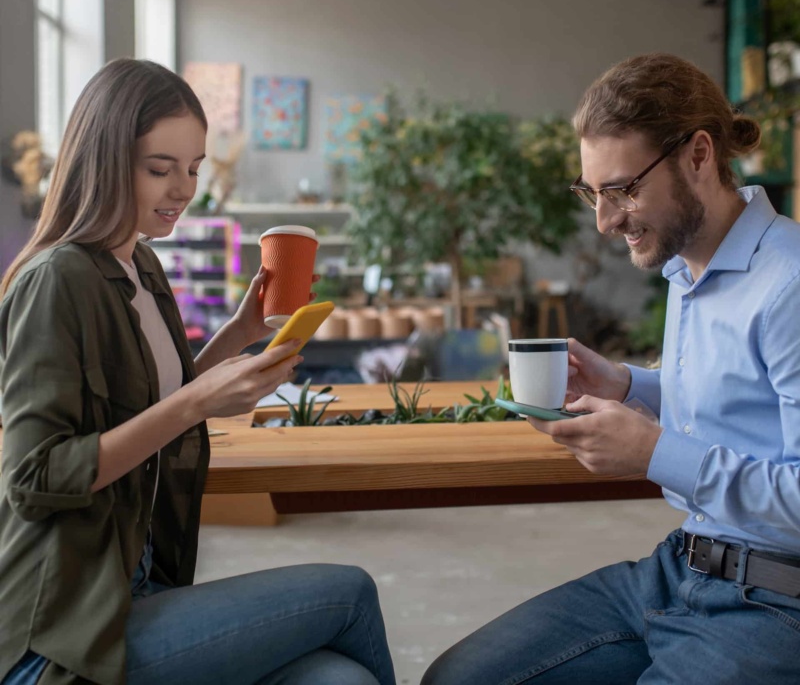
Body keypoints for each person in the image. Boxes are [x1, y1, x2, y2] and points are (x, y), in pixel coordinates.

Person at [0, 59, 396, 685]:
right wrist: (196, 403)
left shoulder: (143, 268)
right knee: (348, 592)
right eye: (160, 169)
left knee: (338, 679)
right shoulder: (57, 280)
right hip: (67, 626)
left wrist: (239, 334)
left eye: (192, 168)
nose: (183, 188)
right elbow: (33, 476)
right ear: (104, 159)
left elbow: (158, 401)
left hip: (143, 582)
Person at [422, 52, 800, 683]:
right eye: (592, 193)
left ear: (699, 156)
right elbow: (739, 404)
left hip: (773, 601)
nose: (604, 221)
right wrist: (626, 385)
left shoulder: (789, 282)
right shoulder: (688, 266)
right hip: (680, 567)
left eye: (623, 190)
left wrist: (654, 454)